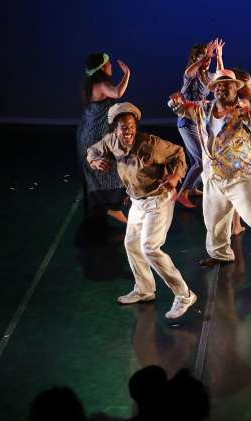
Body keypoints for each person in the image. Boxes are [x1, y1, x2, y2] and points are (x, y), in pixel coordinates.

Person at [87, 102, 198, 319]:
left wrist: (175, 177)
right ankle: (145, 289)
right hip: (137, 202)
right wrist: (95, 161)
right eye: (123, 127)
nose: (128, 131)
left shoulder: (150, 145)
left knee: (149, 247)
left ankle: (184, 294)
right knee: (131, 243)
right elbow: (92, 151)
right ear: (115, 129)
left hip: (158, 200)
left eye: (131, 126)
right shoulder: (110, 142)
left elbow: (179, 153)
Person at [169, 69, 251, 275]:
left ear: (235, 89)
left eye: (227, 85)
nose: (222, 88)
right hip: (214, 176)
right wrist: (176, 102)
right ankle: (220, 254)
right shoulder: (203, 109)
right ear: (213, 90)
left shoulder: (246, 112)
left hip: (241, 178)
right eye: (218, 85)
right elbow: (180, 108)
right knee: (214, 220)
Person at [77, 52, 131, 224]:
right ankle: (112, 208)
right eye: (108, 64)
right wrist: (127, 74)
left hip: (88, 132)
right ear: (102, 68)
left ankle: (106, 207)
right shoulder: (101, 84)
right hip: (96, 135)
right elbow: (118, 92)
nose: (111, 67)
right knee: (112, 169)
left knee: (102, 170)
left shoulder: (90, 84)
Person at [175, 39, 221, 209]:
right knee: (201, 161)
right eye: (204, 57)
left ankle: (192, 188)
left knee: (199, 158)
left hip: (200, 122)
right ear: (196, 59)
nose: (208, 60)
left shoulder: (207, 76)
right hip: (187, 123)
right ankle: (182, 194)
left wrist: (219, 57)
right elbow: (188, 72)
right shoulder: (191, 75)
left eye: (209, 58)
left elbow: (220, 77)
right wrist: (204, 57)